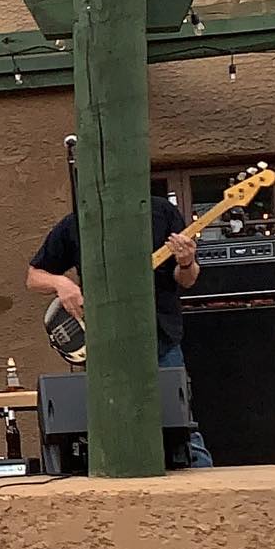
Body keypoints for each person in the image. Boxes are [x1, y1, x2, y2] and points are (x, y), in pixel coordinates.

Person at [26, 195, 212, 466]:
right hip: (103, 345)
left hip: (159, 339)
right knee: (110, 426)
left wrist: (186, 262)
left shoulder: (162, 214)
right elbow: (34, 276)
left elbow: (186, 280)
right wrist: (61, 284)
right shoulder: (78, 223)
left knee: (179, 428)